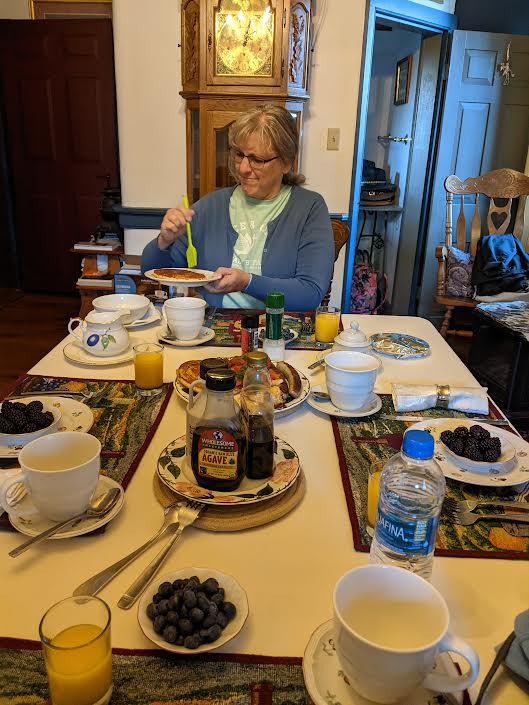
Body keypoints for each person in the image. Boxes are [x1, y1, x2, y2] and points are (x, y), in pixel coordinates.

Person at [141, 104, 334, 310]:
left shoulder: (309, 208)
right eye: (239, 155)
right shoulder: (211, 207)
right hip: (214, 331)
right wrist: (164, 241)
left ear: (286, 162)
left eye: (257, 159)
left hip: (279, 332)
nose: (242, 168)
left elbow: (310, 293)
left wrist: (247, 282)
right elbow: (152, 271)